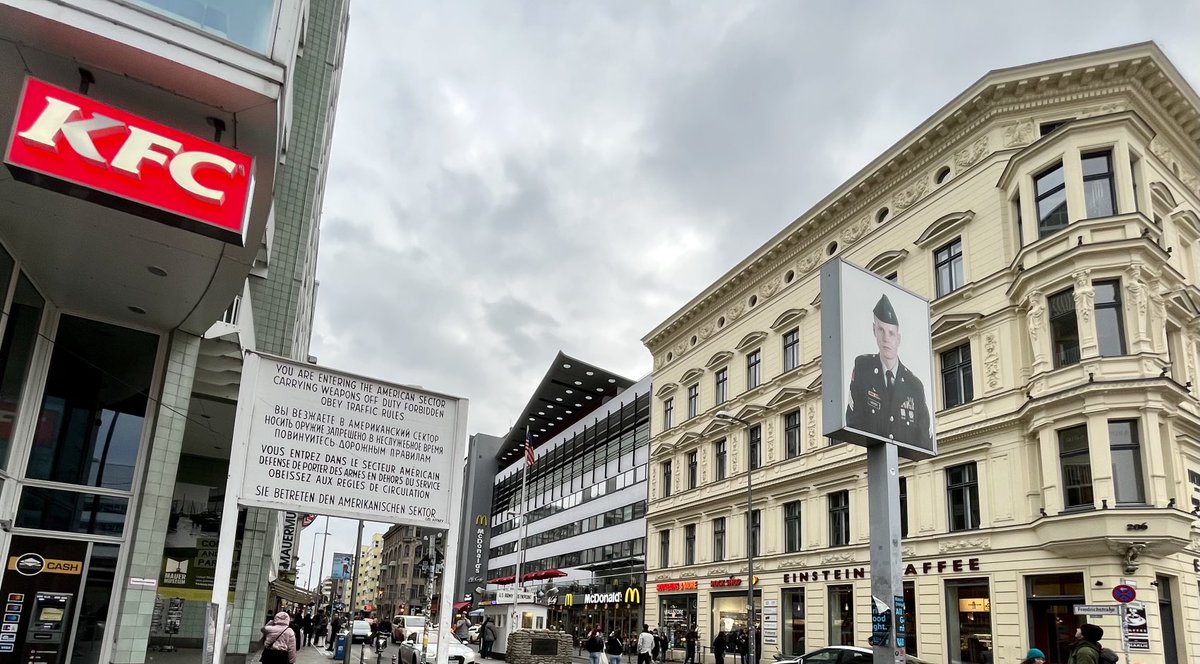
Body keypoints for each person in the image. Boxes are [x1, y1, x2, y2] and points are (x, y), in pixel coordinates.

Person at [845, 294, 932, 448]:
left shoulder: (915, 385)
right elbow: (853, 420)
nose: (886, 339)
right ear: (874, 331)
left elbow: (924, 438)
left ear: (898, 338)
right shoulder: (862, 368)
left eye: (891, 333)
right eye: (881, 330)